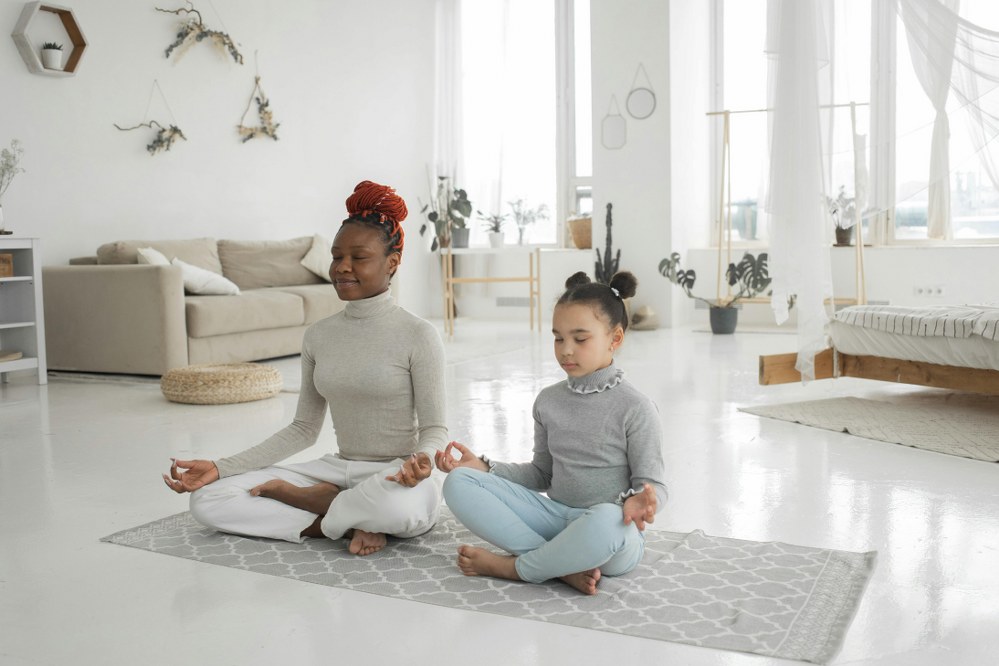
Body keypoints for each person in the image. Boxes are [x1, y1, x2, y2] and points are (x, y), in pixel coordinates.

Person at [163, 180, 447, 556]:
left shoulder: (419, 334)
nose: (342, 267)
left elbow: (434, 428)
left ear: (392, 262)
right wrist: (220, 467)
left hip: (394, 473)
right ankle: (341, 521)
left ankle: (329, 508)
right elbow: (302, 430)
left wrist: (421, 462)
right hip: (336, 470)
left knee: (398, 509)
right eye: (336, 256)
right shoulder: (319, 336)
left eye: (358, 257)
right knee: (208, 500)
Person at [435, 270, 667, 594]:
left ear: (615, 339)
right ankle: (560, 567)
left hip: (611, 535)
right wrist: (485, 468)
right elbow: (541, 474)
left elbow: (654, 485)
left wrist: (640, 501)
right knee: (459, 482)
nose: (566, 350)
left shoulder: (636, 407)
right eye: (558, 338)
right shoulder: (548, 401)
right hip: (554, 521)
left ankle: (516, 568)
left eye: (580, 338)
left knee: (605, 520)